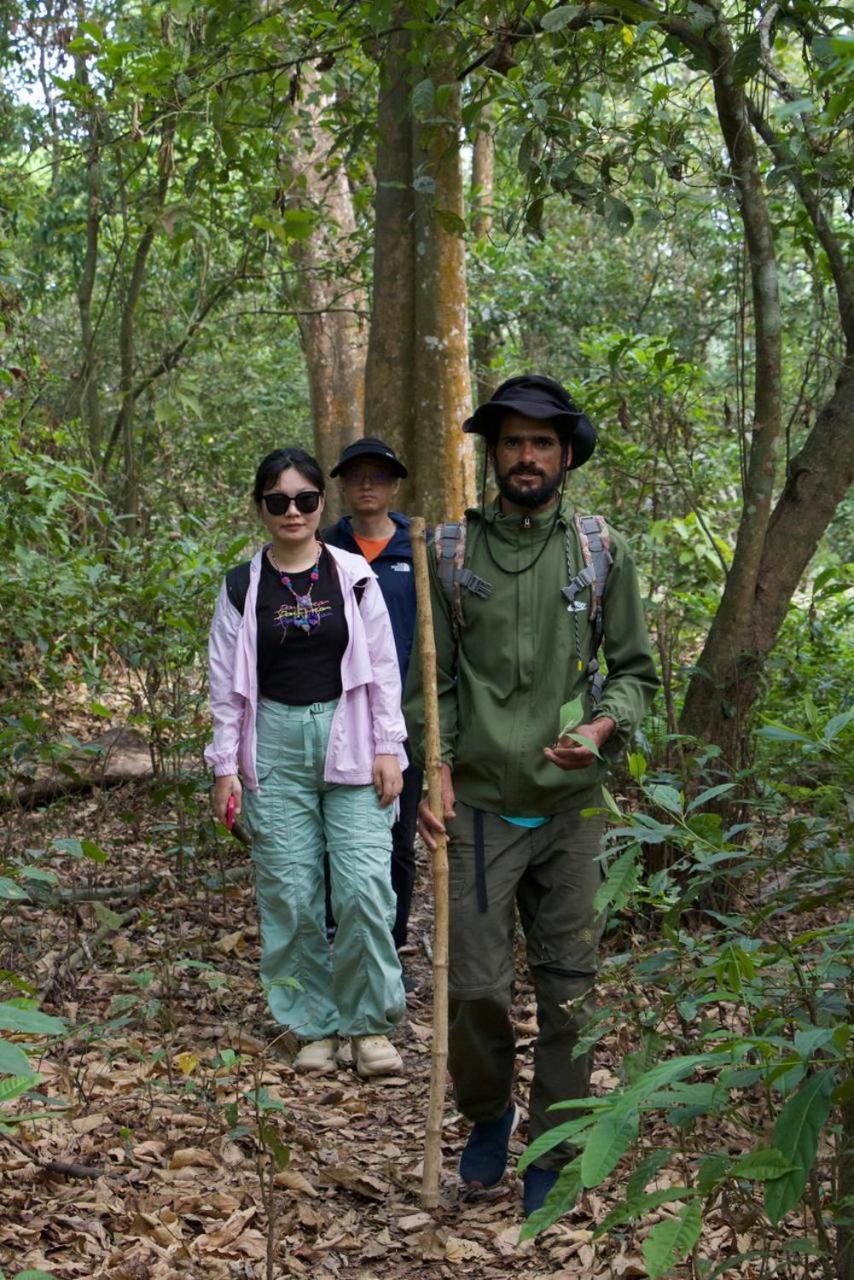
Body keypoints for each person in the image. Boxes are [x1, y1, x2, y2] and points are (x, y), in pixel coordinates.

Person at [405, 375, 659, 1216]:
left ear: (566, 457)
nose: (526, 456)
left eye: (542, 443)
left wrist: (601, 730)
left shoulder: (599, 552)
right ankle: (488, 1112)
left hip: (571, 808)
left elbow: (634, 673)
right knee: (475, 986)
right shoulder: (449, 552)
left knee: (569, 987)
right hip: (477, 803)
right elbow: (431, 685)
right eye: (512, 441)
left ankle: (551, 1139)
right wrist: (434, 766)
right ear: (493, 453)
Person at [206, 447, 408, 1079]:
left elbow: (382, 668)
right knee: (290, 894)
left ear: (323, 503)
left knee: (365, 889)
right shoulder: (242, 585)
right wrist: (223, 766)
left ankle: (369, 1025)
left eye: (305, 500)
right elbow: (223, 681)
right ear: (261, 507)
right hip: (273, 745)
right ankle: (312, 1024)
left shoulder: (352, 575)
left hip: (349, 736)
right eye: (277, 501)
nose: (292, 512)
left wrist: (388, 746)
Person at [323, 438, 423, 989]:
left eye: (377, 476)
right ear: (340, 484)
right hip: (335, 717)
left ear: (394, 484)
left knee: (397, 838)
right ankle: (340, 944)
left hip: (400, 720)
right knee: (334, 840)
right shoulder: (322, 545)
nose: (367, 484)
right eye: (355, 475)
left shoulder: (419, 547)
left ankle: (391, 947)